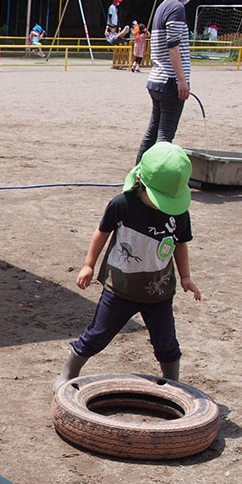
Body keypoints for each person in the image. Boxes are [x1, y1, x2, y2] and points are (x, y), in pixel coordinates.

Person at [56, 142, 201, 389]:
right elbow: (101, 233)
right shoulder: (122, 204)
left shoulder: (179, 214)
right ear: (141, 182)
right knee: (97, 335)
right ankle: (68, 374)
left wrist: (186, 276)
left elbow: (180, 244)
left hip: (159, 292)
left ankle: (173, 385)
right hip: (119, 289)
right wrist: (88, 265)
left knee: (166, 342)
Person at [135, 0, 191, 164]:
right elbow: (173, 45)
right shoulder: (177, 8)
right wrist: (182, 80)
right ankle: (154, 179)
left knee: (152, 133)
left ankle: (137, 175)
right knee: (164, 137)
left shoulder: (163, 6)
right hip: (170, 81)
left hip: (157, 78)